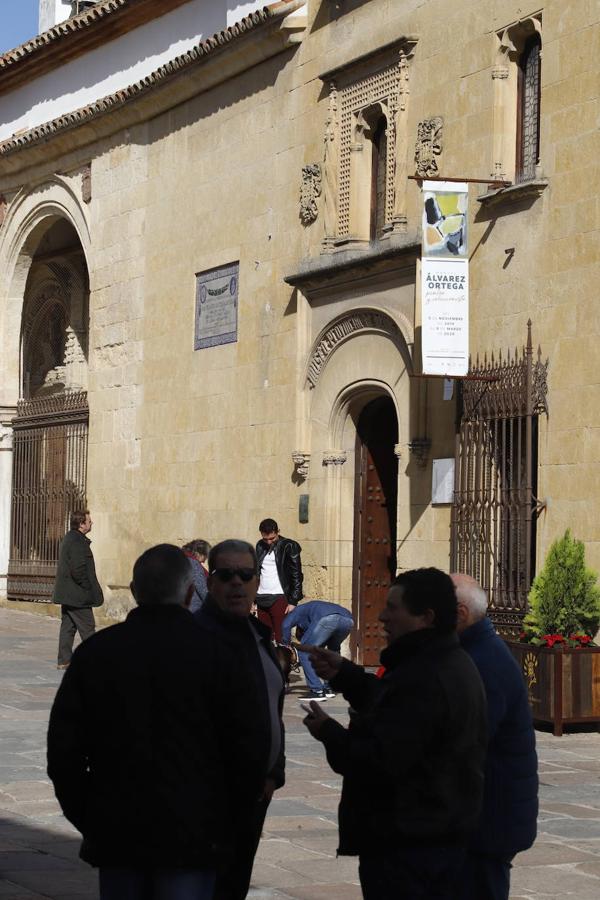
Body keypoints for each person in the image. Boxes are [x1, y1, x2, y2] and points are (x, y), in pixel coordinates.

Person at [47, 544, 264, 900]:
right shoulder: (220, 655)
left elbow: (63, 753)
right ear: (191, 591)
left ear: (133, 592)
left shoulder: (96, 654)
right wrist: (224, 823)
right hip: (194, 836)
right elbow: (249, 750)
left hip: (119, 834)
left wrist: (90, 819)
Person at [301, 568, 487, 900]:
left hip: (410, 843)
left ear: (425, 617)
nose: (383, 616)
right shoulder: (437, 660)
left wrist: (329, 732)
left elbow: (380, 759)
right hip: (431, 835)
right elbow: (395, 706)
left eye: (393, 608)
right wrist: (347, 675)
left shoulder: (428, 674)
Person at [195, 539, 285, 900]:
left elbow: (271, 708)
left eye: (245, 575)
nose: (237, 583)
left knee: (234, 885)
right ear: (210, 582)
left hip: (254, 793)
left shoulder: (260, 636)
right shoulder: (197, 638)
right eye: (226, 574)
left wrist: (273, 772)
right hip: (214, 798)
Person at [452, 573, 538, 900]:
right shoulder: (476, 651)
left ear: (460, 614)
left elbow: (464, 740)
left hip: (489, 821)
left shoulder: (482, 662)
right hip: (487, 817)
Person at [52, 509, 103, 670]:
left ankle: (64, 660)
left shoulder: (73, 538)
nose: (91, 523)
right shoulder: (76, 541)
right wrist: (87, 588)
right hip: (77, 595)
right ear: (81, 524)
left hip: (69, 593)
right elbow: (78, 569)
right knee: (88, 627)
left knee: (68, 627)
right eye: (89, 520)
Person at [281, 600, 354, 700]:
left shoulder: (296, 611)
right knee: (332, 652)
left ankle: (317, 691)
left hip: (327, 618)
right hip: (348, 620)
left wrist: (286, 645)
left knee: (304, 651)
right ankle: (329, 688)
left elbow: (285, 625)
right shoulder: (309, 610)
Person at [255, 518, 303, 642]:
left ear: (278, 532)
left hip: (279, 597)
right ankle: (267, 661)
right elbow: (256, 572)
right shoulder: (260, 546)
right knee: (264, 637)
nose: (269, 542)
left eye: (272, 538)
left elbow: (296, 574)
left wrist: (293, 601)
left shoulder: (289, 546)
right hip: (261, 596)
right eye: (265, 539)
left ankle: (283, 661)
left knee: (281, 637)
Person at [182, 538, 210, 612]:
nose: (204, 561)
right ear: (198, 553)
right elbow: (202, 590)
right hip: (193, 610)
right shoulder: (193, 564)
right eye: (205, 556)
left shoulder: (180, 558)